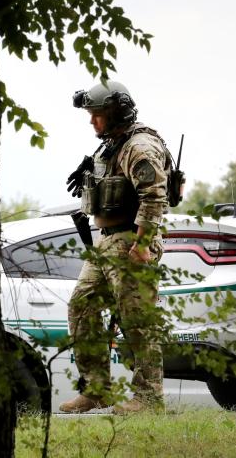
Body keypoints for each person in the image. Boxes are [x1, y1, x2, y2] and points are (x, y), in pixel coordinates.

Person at [59, 80, 170, 414]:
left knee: (137, 320)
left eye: (97, 115)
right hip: (107, 242)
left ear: (116, 112)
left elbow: (154, 195)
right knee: (81, 307)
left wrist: (142, 244)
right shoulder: (111, 145)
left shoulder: (140, 146)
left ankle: (149, 398)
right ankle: (96, 389)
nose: (92, 121)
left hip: (131, 241)